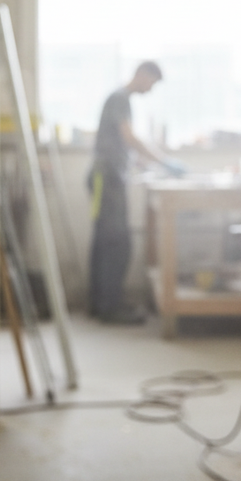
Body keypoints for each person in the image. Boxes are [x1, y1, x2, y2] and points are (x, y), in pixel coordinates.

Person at [88, 61, 183, 324]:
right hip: (106, 178)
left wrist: (143, 163)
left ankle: (101, 304)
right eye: (151, 83)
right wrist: (163, 161)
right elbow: (129, 138)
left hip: (107, 176)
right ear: (142, 75)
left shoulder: (120, 99)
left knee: (105, 240)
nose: (150, 90)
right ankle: (109, 308)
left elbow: (124, 146)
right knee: (117, 242)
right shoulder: (120, 98)